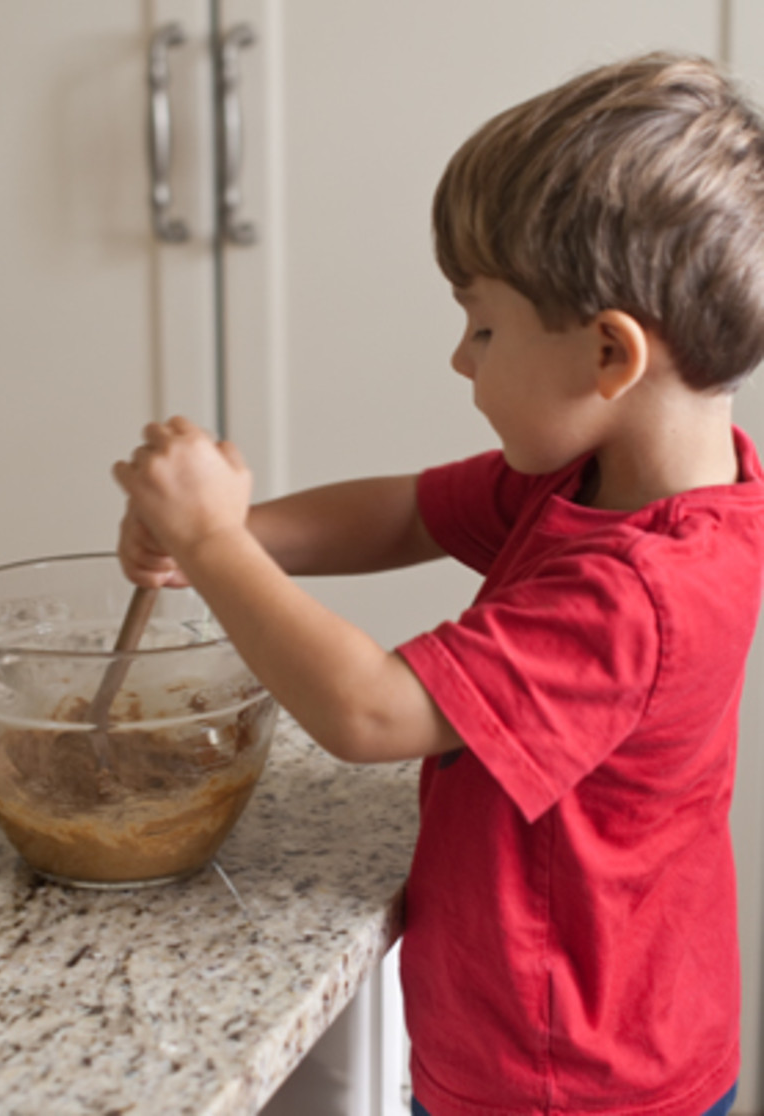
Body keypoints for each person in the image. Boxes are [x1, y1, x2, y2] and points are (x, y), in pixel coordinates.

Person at [113, 52, 764, 1115]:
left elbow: (371, 713)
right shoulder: (603, 480)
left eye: (485, 324)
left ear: (610, 353)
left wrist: (217, 543)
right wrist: (227, 537)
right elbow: (411, 510)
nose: (462, 358)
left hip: (570, 1077)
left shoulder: (642, 594)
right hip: (589, 1032)